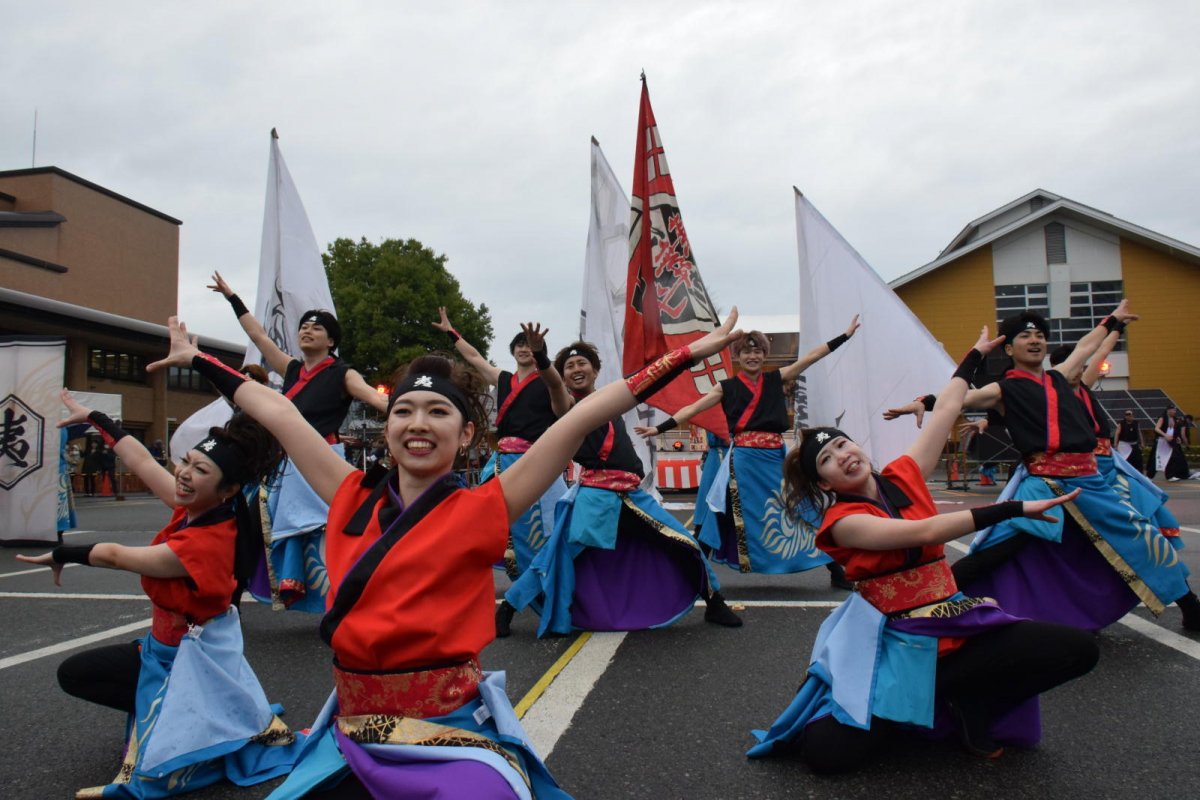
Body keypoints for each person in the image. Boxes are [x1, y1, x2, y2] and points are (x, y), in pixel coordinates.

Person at [154, 310, 742, 798]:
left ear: (465, 436)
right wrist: (197, 359)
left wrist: (688, 354)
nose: (418, 423)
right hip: (351, 732)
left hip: (446, 732)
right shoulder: (348, 494)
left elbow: (587, 413)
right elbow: (280, 411)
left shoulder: (486, 507)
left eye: (438, 412)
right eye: (404, 411)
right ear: (388, 428)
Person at [748, 328, 1099, 771]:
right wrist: (1012, 508)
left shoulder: (904, 474)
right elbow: (925, 531)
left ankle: (971, 700)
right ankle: (919, 703)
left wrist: (974, 357)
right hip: (895, 640)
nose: (842, 455)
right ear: (824, 482)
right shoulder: (843, 522)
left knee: (1078, 650)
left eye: (841, 443)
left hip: (955, 622)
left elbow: (948, 407)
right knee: (825, 757)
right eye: (827, 460)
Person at [17, 390, 303, 798]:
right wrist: (96, 417)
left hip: (185, 661)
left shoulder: (204, 543)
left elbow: (116, 556)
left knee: (81, 677)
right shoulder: (200, 507)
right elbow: (142, 461)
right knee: (82, 673)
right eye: (186, 461)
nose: (183, 473)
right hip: (168, 648)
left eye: (199, 469)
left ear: (227, 488)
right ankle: (189, 714)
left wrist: (62, 553)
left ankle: (186, 717)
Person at [888, 302, 1200, 632]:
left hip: (1091, 482)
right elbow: (958, 399)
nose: (1035, 340)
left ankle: (1191, 607)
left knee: (1143, 539)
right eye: (1025, 336)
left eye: (1039, 335)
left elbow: (1086, 346)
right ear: (1009, 348)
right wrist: (923, 402)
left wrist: (1113, 321)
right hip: (1042, 483)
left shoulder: (1060, 377)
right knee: (997, 549)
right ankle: (922, 603)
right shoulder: (1002, 389)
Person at [506, 340, 741, 635]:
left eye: (582, 363)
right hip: (595, 496)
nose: (576, 369)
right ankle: (508, 608)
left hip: (632, 494)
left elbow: (645, 380)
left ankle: (714, 602)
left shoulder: (611, 401)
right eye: (568, 366)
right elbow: (553, 386)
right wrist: (542, 357)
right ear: (563, 376)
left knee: (683, 540)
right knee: (556, 557)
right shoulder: (568, 407)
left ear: (595, 370)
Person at [636, 316, 861, 588]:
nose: (752, 356)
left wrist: (844, 337)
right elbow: (693, 409)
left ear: (764, 354)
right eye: (745, 352)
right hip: (743, 462)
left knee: (801, 506)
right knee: (719, 514)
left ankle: (835, 570)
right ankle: (694, 573)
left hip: (777, 458)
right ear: (738, 356)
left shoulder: (777, 378)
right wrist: (659, 429)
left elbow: (812, 357)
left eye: (757, 351)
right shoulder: (726, 387)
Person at [209, 272, 388, 612]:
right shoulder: (292, 369)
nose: (307, 330)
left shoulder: (343, 374)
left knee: (329, 534)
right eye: (304, 326)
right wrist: (232, 297)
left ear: (331, 341)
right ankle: (229, 600)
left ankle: (355, 599)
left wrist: (414, 411)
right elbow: (258, 336)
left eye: (316, 328)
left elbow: (376, 399)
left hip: (321, 463)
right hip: (283, 464)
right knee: (249, 526)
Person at [433, 307, 572, 637]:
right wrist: (451, 332)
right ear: (512, 351)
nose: (524, 349)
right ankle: (458, 597)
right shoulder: (504, 379)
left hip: (538, 462)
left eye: (530, 346)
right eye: (519, 344)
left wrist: (542, 357)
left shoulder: (550, 380)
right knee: (477, 527)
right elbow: (474, 357)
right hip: (500, 463)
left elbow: (557, 391)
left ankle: (520, 600)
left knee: (550, 535)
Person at [1150, 406, 1190, 482]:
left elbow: (1173, 430)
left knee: (1172, 458)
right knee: (1156, 459)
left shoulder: (1174, 419)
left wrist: (1177, 437)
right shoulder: (1162, 418)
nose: (1174, 412)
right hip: (1162, 441)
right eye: (1173, 410)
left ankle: (1170, 475)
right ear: (1168, 410)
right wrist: (1165, 435)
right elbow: (1157, 428)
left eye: (1175, 410)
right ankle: (1150, 476)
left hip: (1171, 441)